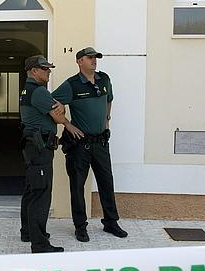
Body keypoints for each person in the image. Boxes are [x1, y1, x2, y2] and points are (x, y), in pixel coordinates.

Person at [52, 47, 128, 242]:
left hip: (101, 142)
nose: (94, 61)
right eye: (89, 58)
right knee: (77, 186)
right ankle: (80, 226)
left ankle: (111, 222)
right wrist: (67, 124)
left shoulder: (104, 80)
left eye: (95, 58)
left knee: (106, 183)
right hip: (80, 145)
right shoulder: (72, 84)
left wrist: (107, 120)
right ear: (79, 61)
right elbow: (50, 104)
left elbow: (109, 100)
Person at [19, 55, 82, 253]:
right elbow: (57, 115)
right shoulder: (38, 92)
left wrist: (57, 109)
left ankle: (28, 232)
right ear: (34, 71)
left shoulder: (29, 90)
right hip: (40, 147)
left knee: (32, 190)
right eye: (45, 69)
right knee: (41, 193)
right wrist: (67, 124)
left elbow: (55, 109)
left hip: (33, 146)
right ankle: (40, 244)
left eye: (49, 69)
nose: (49, 72)